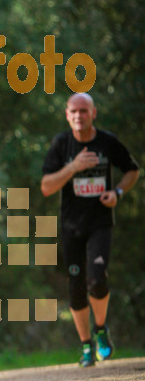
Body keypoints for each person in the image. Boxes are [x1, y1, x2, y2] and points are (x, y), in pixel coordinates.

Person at [41, 93, 139, 367]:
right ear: (67, 114)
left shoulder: (107, 142)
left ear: (93, 113)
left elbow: (132, 170)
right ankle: (86, 346)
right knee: (76, 287)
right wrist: (73, 167)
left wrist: (118, 191)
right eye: (74, 111)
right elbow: (46, 186)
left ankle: (100, 329)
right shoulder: (62, 144)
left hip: (100, 223)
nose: (78, 116)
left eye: (84, 111)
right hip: (71, 226)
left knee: (96, 278)